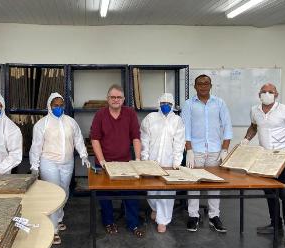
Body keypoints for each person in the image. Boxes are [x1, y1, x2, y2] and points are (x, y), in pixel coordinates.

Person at [242, 83, 285, 248]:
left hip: (282, 159)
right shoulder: (255, 110)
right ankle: (276, 225)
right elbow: (254, 126)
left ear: (276, 95)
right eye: (264, 92)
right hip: (264, 159)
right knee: (270, 193)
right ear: (259, 94)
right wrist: (246, 139)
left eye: (271, 92)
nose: (267, 94)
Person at [30, 92, 90, 245]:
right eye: (55, 105)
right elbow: (36, 147)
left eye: (61, 105)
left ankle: (58, 218)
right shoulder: (41, 124)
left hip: (67, 162)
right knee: (53, 194)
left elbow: (78, 139)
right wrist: (34, 165)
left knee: (64, 192)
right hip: (48, 162)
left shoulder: (70, 122)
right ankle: (53, 229)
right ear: (49, 106)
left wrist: (83, 155)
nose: (58, 108)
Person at [90, 84, 145, 238]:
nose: (116, 100)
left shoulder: (130, 114)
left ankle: (133, 224)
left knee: (131, 195)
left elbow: (136, 137)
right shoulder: (100, 115)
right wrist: (102, 161)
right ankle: (108, 222)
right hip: (104, 164)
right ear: (107, 99)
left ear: (123, 99)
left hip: (125, 163)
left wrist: (138, 159)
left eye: (119, 97)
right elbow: (95, 140)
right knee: (104, 196)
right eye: (112, 97)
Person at [181, 74, 232, 233]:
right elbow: (185, 129)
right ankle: (193, 216)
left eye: (206, 83)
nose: (203, 86)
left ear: (211, 85)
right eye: (200, 84)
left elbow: (227, 127)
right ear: (195, 87)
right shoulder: (188, 104)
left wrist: (224, 149)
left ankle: (214, 216)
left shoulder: (219, 103)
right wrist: (188, 150)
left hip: (215, 151)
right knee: (194, 184)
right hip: (195, 151)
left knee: (214, 184)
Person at [141, 93, 185, 233]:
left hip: (169, 161)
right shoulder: (150, 118)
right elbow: (144, 139)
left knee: (167, 192)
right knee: (152, 191)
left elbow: (179, 142)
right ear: (158, 103)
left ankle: (163, 220)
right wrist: (145, 157)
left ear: (173, 105)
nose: (166, 105)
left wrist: (177, 162)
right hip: (152, 160)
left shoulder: (177, 120)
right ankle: (154, 208)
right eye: (163, 103)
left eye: (169, 103)